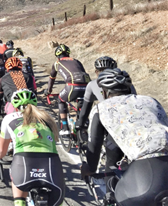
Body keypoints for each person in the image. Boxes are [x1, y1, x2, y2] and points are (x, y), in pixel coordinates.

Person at [81, 68, 168, 206]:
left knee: (121, 198)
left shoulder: (101, 108)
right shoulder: (151, 100)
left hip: (147, 169)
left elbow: (94, 146)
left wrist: (89, 168)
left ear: (104, 92)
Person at [0, 89, 65, 206]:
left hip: (23, 161)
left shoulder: (9, 118)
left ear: (15, 107)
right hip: (51, 162)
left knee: (17, 182)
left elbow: (2, 150)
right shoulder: (46, 117)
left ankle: (19, 202)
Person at [76, 56, 137, 131]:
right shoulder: (127, 82)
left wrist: (80, 124)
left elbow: (85, 109)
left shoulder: (92, 84)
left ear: (96, 72)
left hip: (108, 122)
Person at [43, 44, 90, 135]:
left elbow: (52, 78)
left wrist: (48, 91)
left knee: (61, 100)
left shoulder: (57, 63)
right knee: (81, 102)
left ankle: (65, 128)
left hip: (72, 85)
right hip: (87, 86)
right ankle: (83, 122)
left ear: (57, 56)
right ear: (68, 54)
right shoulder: (76, 61)